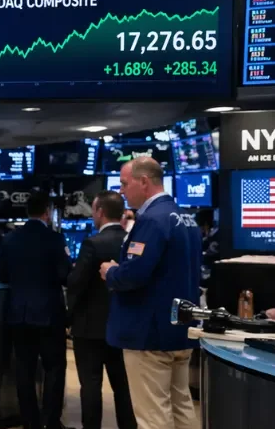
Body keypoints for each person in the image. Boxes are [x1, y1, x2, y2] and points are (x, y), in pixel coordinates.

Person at [102, 157, 201, 429]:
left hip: (149, 333)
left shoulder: (151, 220)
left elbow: (134, 274)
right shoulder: (186, 218)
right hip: (180, 329)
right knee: (181, 407)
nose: (121, 191)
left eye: (124, 184)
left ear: (144, 181)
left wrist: (111, 272)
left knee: (153, 416)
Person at [0, 191, 70, 429]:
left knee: (24, 370)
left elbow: (0, 274)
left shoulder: (10, 239)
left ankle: (30, 422)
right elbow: (65, 275)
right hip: (49, 315)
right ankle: (51, 421)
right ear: (47, 212)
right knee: (54, 369)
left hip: (19, 315)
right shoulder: (55, 239)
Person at [66, 191, 136, 429]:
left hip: (89, 329)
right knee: (123, 387)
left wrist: (69, 315)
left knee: (91, 386)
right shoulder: (132, 242)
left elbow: (75, 283)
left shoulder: (92, 244)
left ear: (100, 212)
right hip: (123, 327)